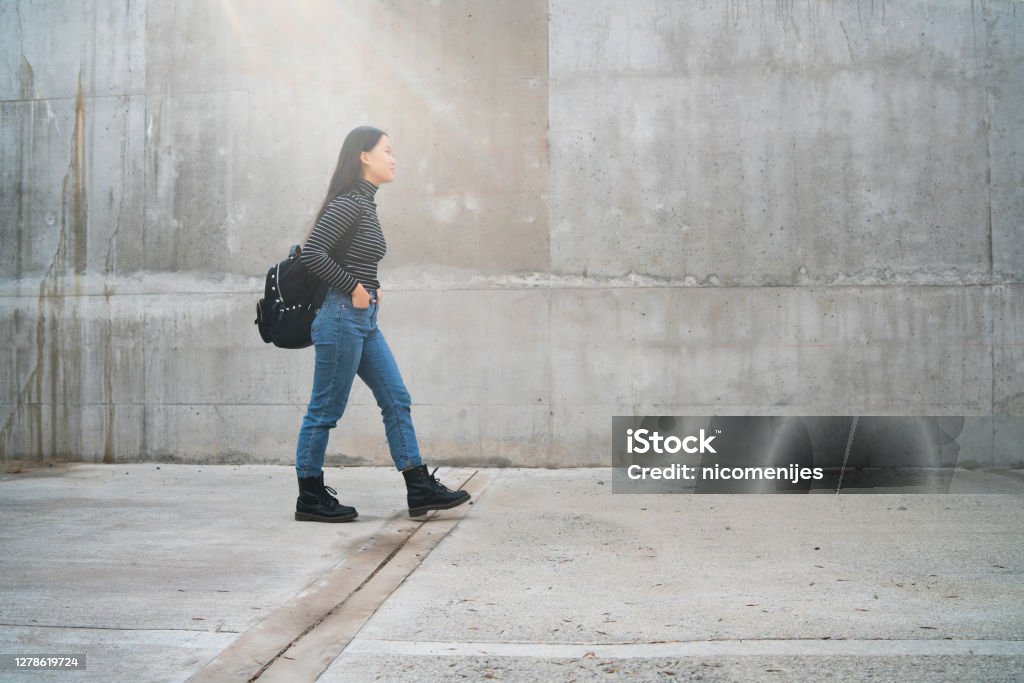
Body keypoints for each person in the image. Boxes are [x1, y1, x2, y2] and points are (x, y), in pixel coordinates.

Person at [293, 125, 470, 522]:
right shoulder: (349, 203)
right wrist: (354, 286)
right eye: (387, 150)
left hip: (362, 318)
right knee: (324, 410)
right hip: (340, 318)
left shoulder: (365, 203)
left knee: (396, 399)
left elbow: (350, 254)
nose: (394, 158)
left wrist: (371, 286)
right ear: (364, 156)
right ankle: (310, 496)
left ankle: (418, 487)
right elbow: (313, 253)